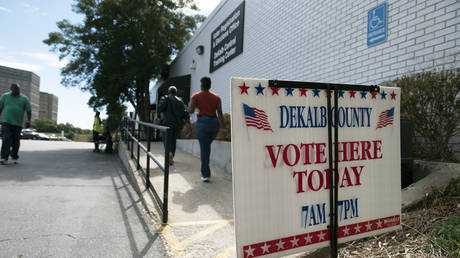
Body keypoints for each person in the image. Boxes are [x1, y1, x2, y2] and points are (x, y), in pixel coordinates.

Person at [188, 77, 224, 182]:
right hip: (214, 124)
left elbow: (190, 110)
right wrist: (224, 126)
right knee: (206, 147)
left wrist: (196, 109)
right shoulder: (217, 97)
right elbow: (220, 113)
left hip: (202, 123)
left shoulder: (195, 96)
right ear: (210, 85)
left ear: (201, 85)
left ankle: (205, 174)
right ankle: (206, 171)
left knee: (204, 149)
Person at [0, 83, 32, 165]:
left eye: (18, 89)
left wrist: (28, 120)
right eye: (15, 89)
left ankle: (14, 156)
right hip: (6, 121)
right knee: (6, 139)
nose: (17, 91)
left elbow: (29, 110)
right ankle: (4, 157)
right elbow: (0, 108)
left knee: (16, 141)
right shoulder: (5, 96)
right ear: (11, 89)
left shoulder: (24, 98)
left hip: (18, 123)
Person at [158, 86, 190, 165]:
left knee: (166, 140)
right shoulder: (180, 101)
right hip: (177, 125)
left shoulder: (165, 98)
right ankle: (171, 155)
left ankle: (169, 153)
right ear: (176, 92)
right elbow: (185, 113)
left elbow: (160, 108)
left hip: (167, 124)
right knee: (173, 141)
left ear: (169, 92)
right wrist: (188, 122)